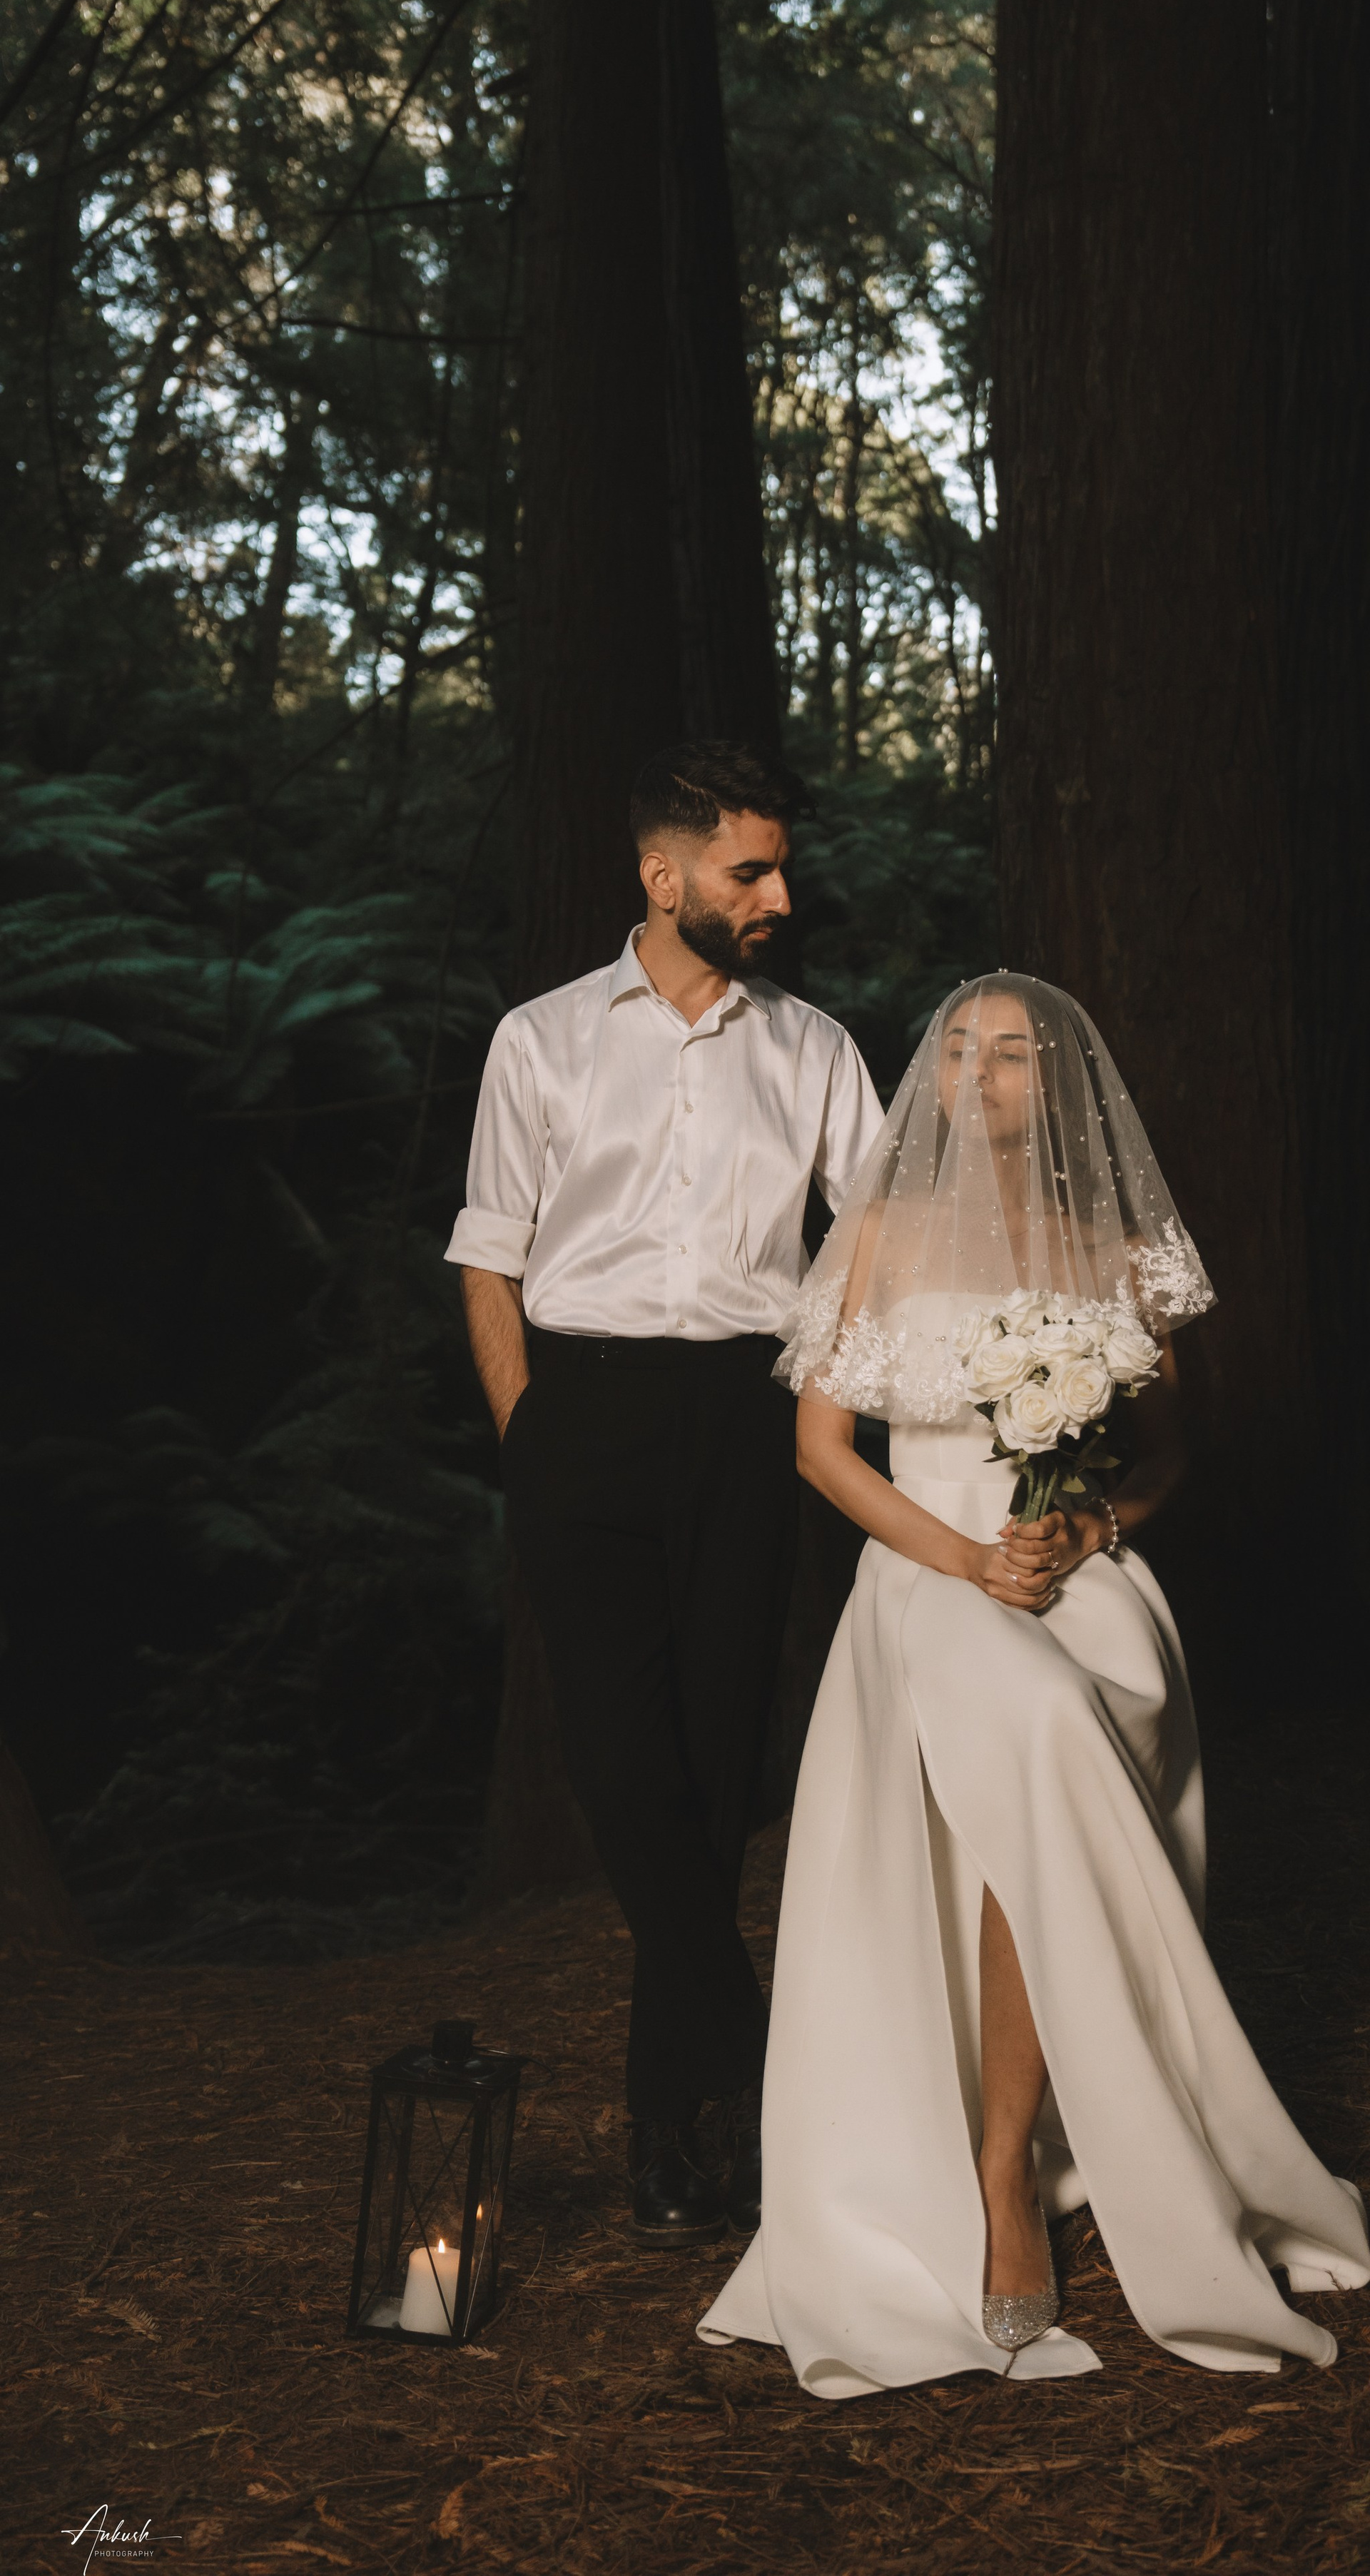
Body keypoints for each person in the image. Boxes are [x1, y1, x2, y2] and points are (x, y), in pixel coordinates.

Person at [699, 974, 1370, 2394]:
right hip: (927, 1573)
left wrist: (1091, 1526)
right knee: (1042, 1728)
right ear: (932, 1082)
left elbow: (1165, 1450)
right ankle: (998, 2183)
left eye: (1013, 1054)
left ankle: (1020, 2153)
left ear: (1057, 1084)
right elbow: (825, 1453)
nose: (986, 1075)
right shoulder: (878, 1231)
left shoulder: (1109, 1244)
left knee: (1068, 1740)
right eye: (962, 1052)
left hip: (1078, 1575)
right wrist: (957, 1555)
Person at [447, 743, 883, 2248]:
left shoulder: (814, 1048)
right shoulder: (543, 1040)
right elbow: (487, 1252)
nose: (777, 894)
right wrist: (528, 1429)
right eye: (746, 872)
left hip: (746, 1416)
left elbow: (878, 1236)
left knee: (710, 1783)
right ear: (663, 877)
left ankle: (672, 2137)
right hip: (582, 1413)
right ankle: (764, 2079)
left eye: (777, 868)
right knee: (625, 1777)